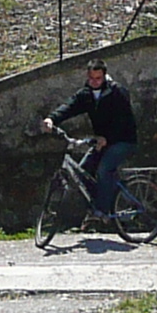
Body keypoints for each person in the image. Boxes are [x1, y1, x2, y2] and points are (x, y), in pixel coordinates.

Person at [45, 61, 138, 218]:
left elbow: (123, 120)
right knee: (83, 172)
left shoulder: (116, 92)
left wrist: (107, 138)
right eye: (92, 78)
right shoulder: (87, 94)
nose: (95, 82)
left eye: (98, 78)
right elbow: (70, 106)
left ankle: (102, 211)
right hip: (102, 142)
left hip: (123, 140)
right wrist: (52, 119)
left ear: (104, 76)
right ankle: (101, 203)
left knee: (104, 170)